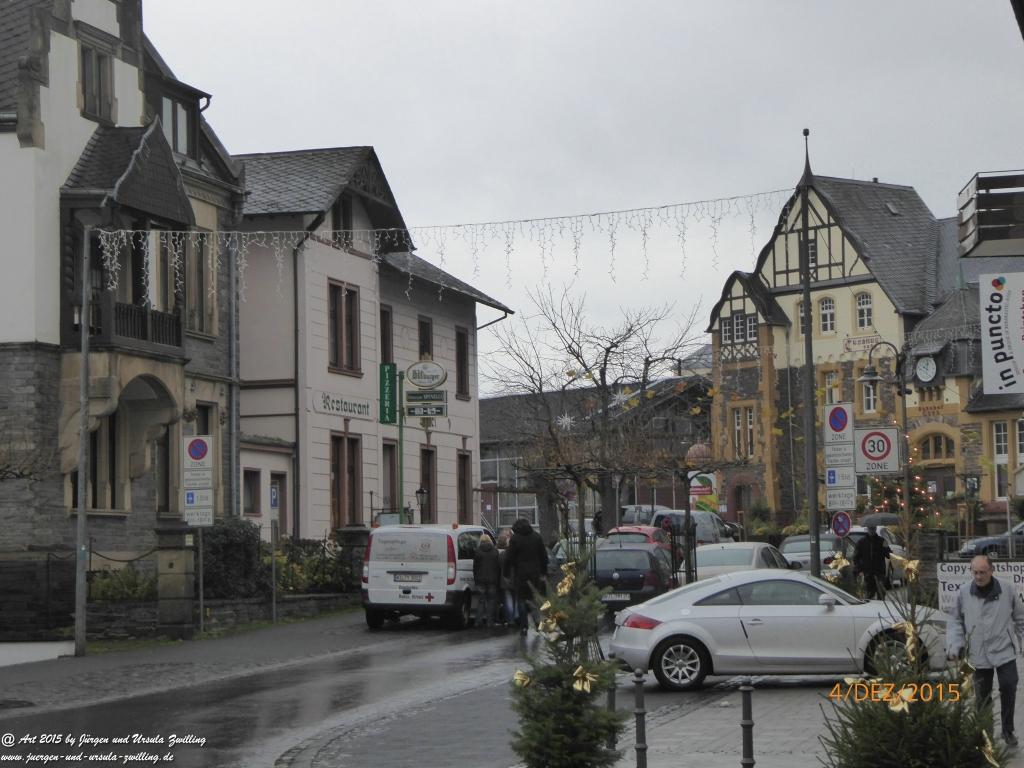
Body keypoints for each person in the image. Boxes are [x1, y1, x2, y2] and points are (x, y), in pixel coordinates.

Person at [947, 554, 1024, 747]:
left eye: (983, 572)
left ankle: (1008, 730)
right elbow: (955, 621)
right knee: (983, 697)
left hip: (1004, 649)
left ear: (991, 570)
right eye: (975, 572)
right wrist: (955, 645)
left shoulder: (1007, 589)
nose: (979, 576)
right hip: (978, 653)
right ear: (971, 571)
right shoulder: (964, 592)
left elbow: (1020, 617)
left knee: (1009, 686)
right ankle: (985, 734)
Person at [504, 518, 548, 636]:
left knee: (521, 600)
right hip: (535, 573)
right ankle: (537, 621)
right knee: (534, 598)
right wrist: (543, 572)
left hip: (520, 574)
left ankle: (524, 626)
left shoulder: (515, 539)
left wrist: (507, 573)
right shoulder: (537, 537)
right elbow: (544, 556)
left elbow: (509, 558)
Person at [852, 524, 891, 599]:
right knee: (869, 595)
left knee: (881, 594)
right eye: (870, 529)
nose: (872, 531)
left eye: (873, 529)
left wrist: (886, 548)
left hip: (879, 572)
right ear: (868, 529)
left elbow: (888, 555)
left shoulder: (881, 541)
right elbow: (856, 557)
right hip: (867, 573)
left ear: (875, 529)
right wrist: (859, 568)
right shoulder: (862, 542)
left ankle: (881, 608)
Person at [472, 534, 501, 627]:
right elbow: (498, 567)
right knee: (491, 601)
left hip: (480, 580)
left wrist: (476, 579)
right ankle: (489, 622)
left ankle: (478, 621)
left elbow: (475, 567)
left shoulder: (478, 552)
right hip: (493, 580)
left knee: (481, 600)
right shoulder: (495, 551)